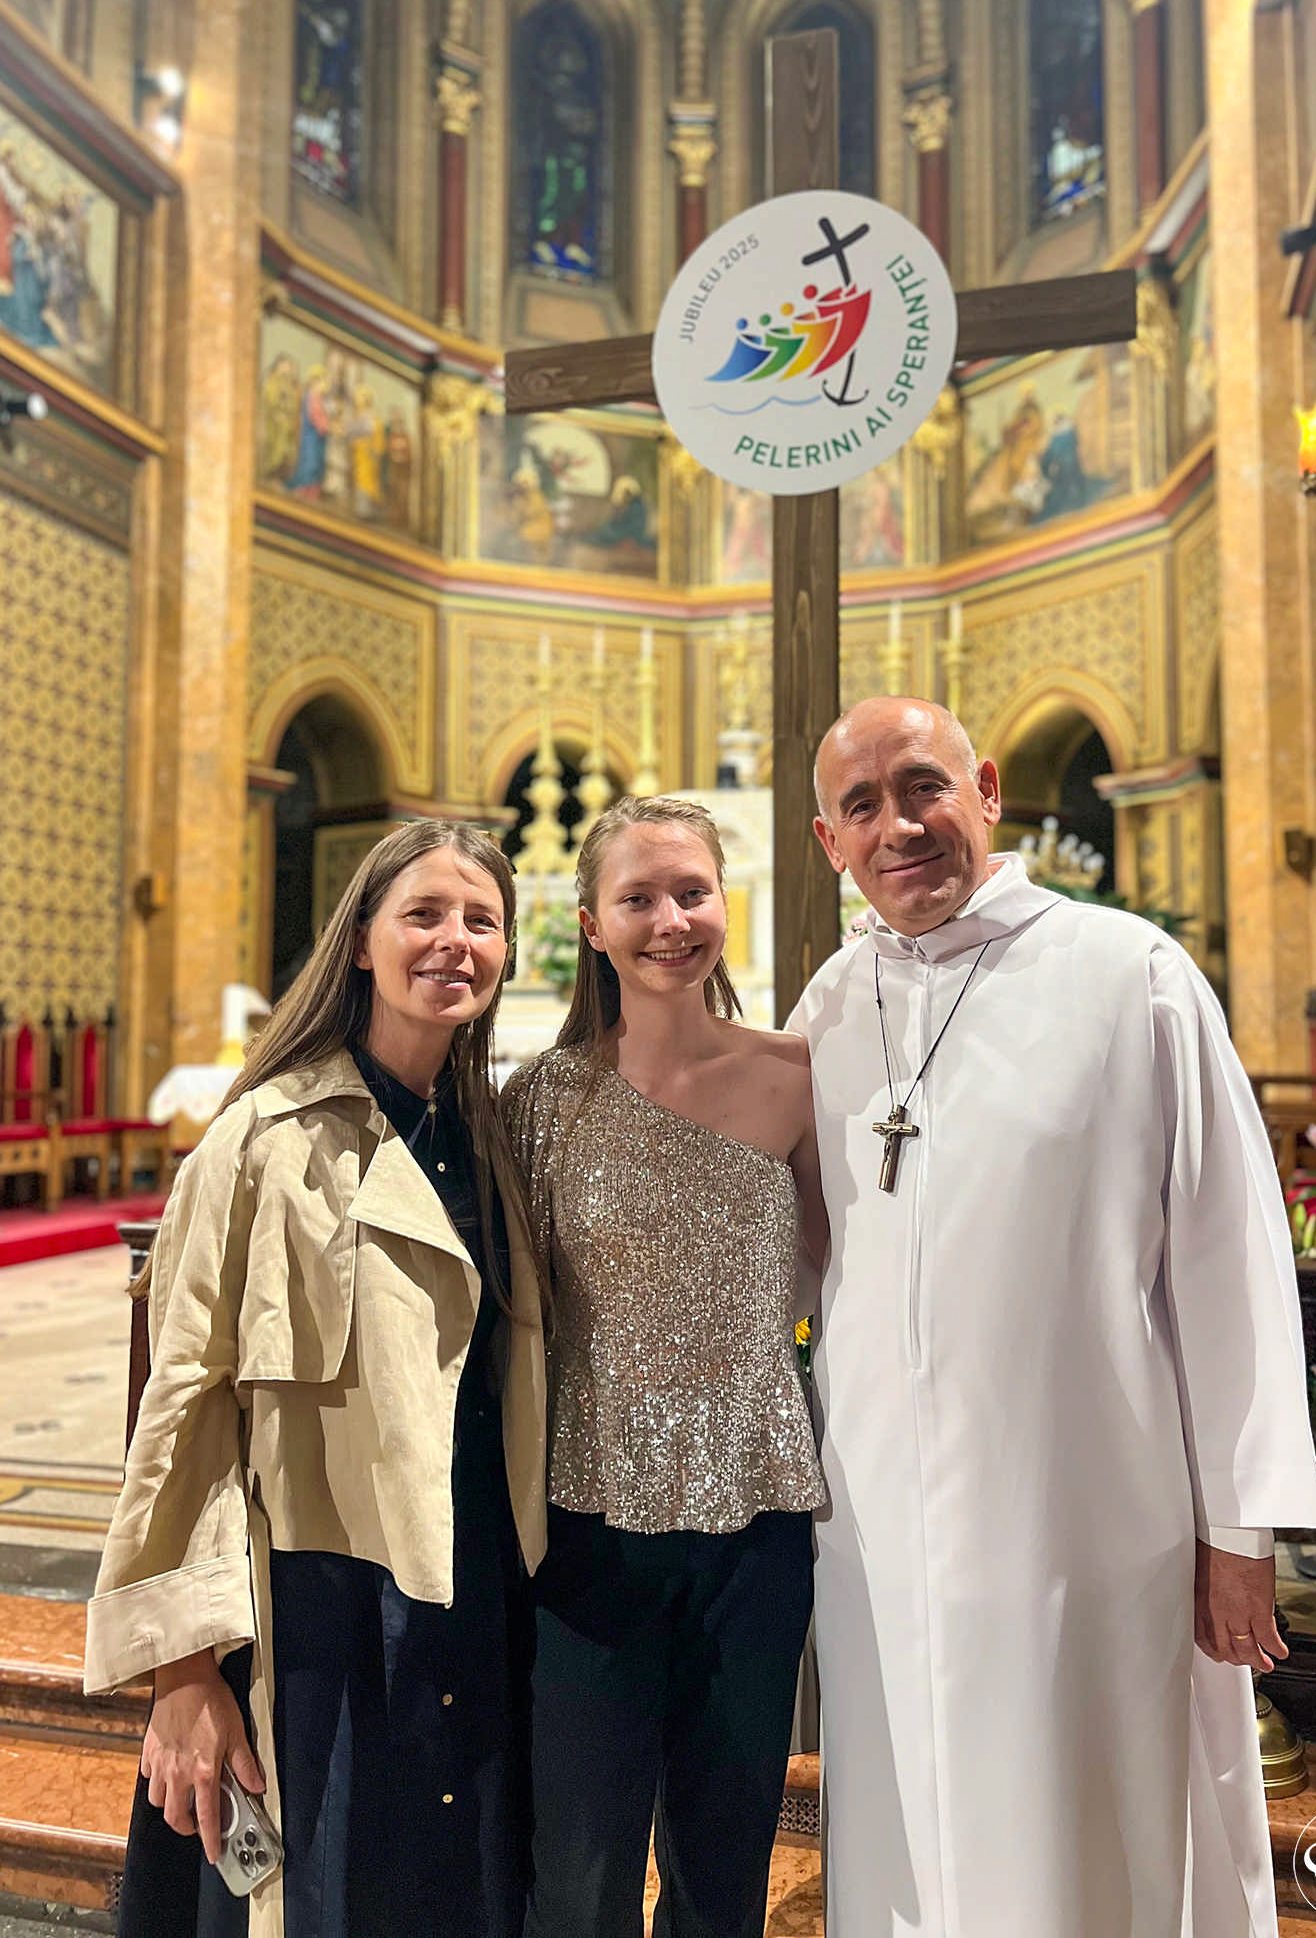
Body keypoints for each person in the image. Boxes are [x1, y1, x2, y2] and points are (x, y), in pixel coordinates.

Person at [790, 697, 1316, 1938]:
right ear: (829, 842)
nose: (897, 826)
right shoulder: (828, 1005)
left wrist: (1238, 1526)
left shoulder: (1127, 973)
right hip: (879, 1532)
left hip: (1088, 1517)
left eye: (922, 786)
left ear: (985, 789)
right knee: (907, 1824)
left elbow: (1230, 1257)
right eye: (862, 806)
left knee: (1095, 1824)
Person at [84, 821, 547, 1938]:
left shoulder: (490, 1141)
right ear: (361, 941)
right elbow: (185, 1403)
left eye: (482, 920)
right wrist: (182, 1670)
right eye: (423, 914)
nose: (455, 941)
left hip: (473, 1586)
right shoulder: (261, 1138)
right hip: (320, 1604)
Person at [501, 794, 826, 1938]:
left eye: (691, 891)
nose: (669, 920)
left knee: (725, 1858)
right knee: (578, 1870)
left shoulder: (799, 1074)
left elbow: (839, 1276)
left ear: (724, 901)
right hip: (588, 1519)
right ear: (592, 924)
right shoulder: (542, 1099)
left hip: (754, 1518)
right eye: (637, 898)